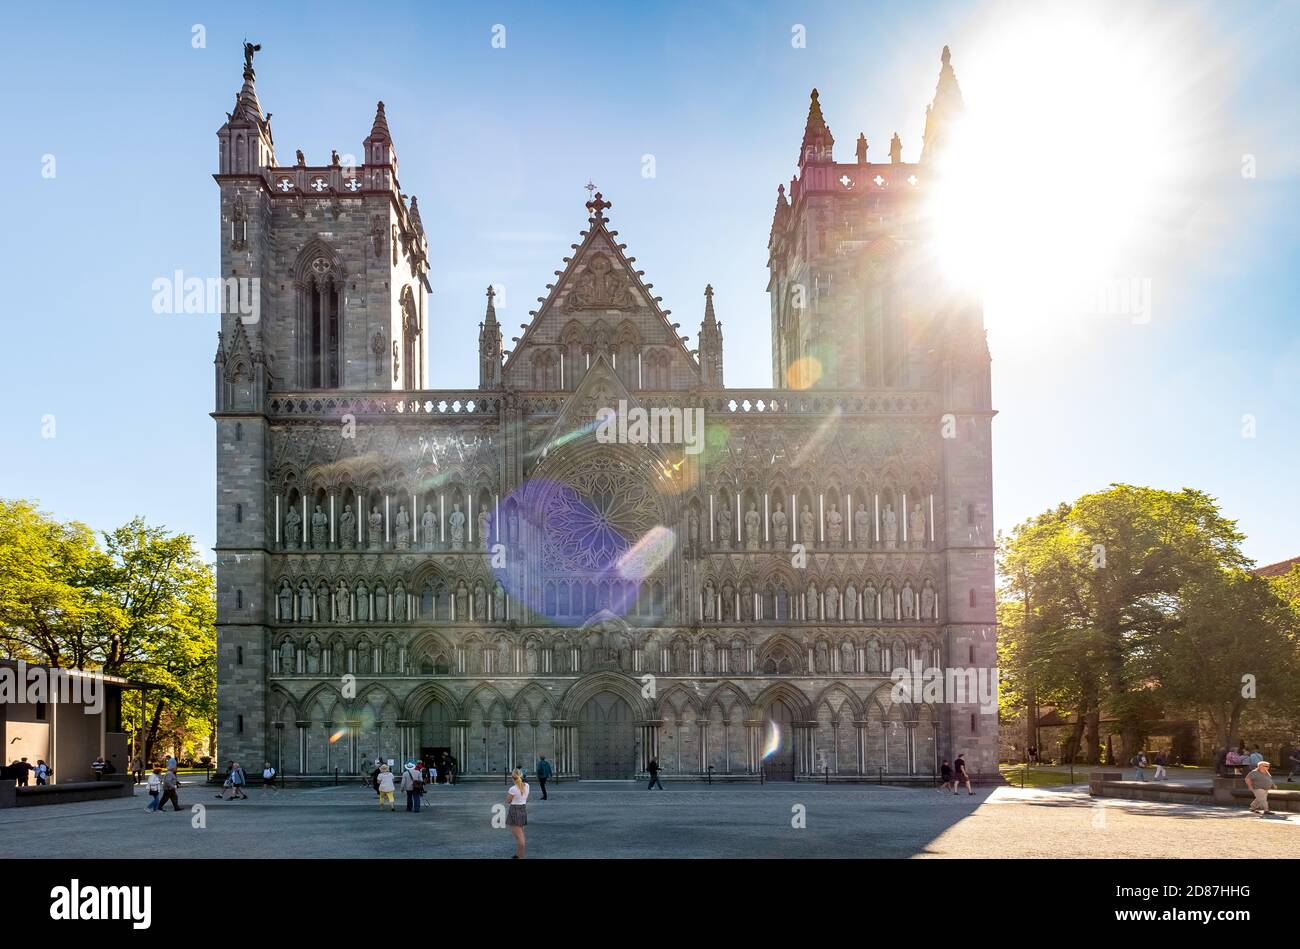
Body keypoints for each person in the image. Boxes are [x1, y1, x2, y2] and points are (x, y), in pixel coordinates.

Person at [506, 768, 528, 858]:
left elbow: (508, 800)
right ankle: (518, 855)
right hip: (523, 809)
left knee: (520, 837)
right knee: (521, 834)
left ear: (512, 777)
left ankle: (520, 857)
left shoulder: (513, 789)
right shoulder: (527, 785)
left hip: (515, 809)